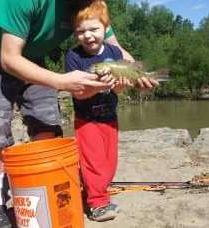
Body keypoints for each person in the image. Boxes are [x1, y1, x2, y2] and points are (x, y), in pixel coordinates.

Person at [0, 0, 142, 228]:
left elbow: (116, 51)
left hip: (30, 53)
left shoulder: (90, 4)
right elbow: (9, 59)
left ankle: (44, 185)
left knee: (47, 124)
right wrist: (61, 82)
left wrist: (139, 73)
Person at [65, 0, 159, 222]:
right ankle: (97, 204)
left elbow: (120, 87)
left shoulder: (114, 51)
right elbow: (78, 92)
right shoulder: (73, 56)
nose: (88, 36)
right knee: (93, 161)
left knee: (109, 163)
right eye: (81, 31)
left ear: (105, 27)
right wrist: (100, 84)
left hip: (110, 117)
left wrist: (122, 84)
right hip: (86, 119)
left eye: (94, 29)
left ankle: (94, 190)